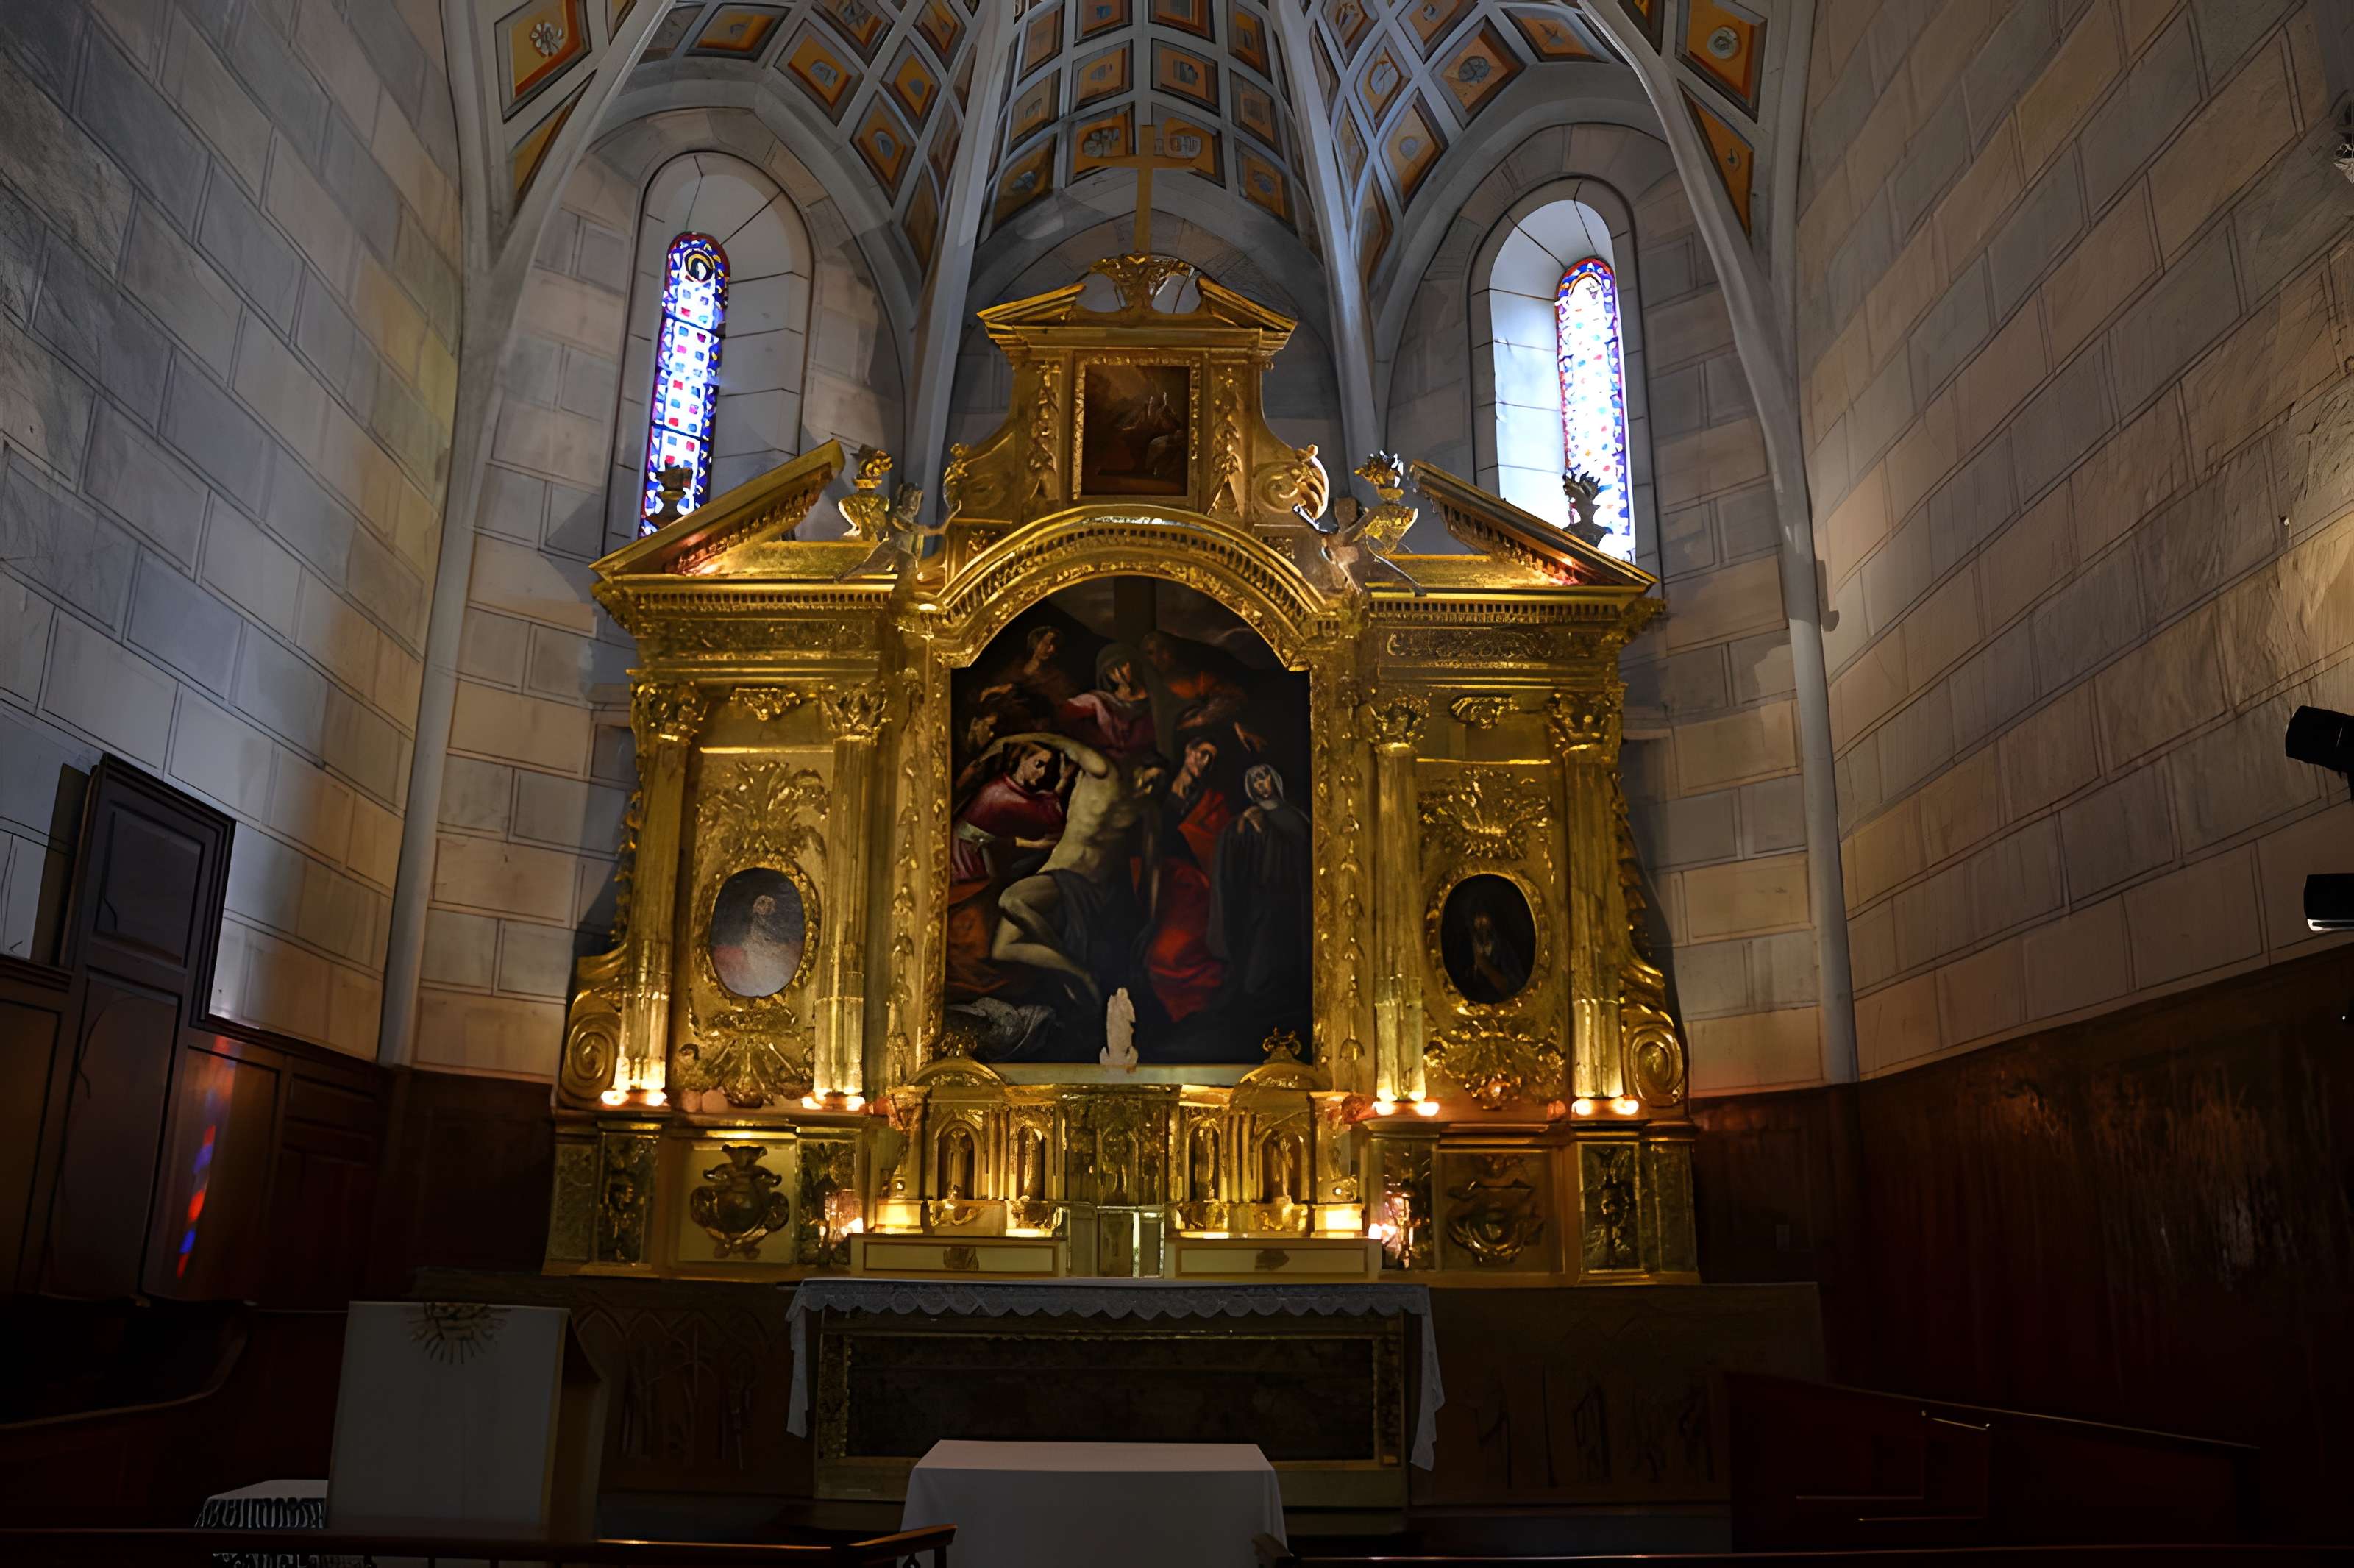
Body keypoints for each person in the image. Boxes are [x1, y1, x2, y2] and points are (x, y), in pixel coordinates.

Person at [1208, 763, 1312, 1023]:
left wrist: (1266, 830)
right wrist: (1241, 830)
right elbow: (1235, 858)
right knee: (1253, 949)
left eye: (1263, 778)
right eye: (1254, 781)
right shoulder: (1247, 817)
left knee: (1274, 955)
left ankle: (1272, 997)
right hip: (1256, 899)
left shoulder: (1294, 818)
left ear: (1274, 780)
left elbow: (1300, 855)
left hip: (1285, 900)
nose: (1260, 785)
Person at [1055, 644, 1158, 762]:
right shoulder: (1102, 701)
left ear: (1132, 662)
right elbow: (1065, 716)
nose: (1119, 674)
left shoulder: (1155, 696)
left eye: (1122, 665)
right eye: (1112, 671)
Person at [712, 886, 803, 997]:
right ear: (753, 908)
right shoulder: (729, 954)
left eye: (771, 905)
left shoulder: (790, 950)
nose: (767, 909)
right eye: (762, 903)